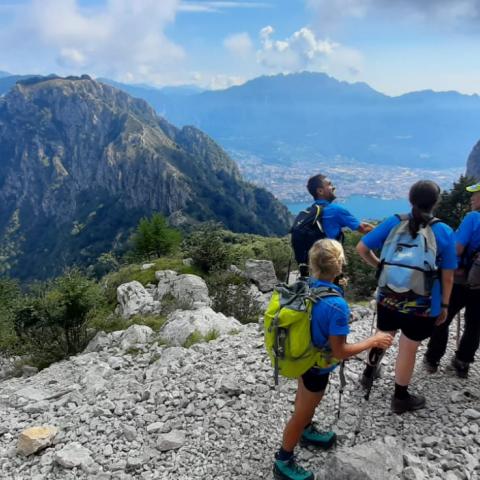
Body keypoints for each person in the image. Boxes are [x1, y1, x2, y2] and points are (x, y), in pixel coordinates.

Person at [273, 239, 393, 480]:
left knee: (304, 401)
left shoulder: (306, 285)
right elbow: (340, 351)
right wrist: (373, 340)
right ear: (339, 265)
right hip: (318, 366)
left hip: (302, 357)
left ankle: (306, 430)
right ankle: (283, 460)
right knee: (302, 411)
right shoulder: (336, 305)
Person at [356, 180, 456, 414]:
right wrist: (444, 305)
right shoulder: (443, 231)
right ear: (436, 202)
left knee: (382, 337)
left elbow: (361, 248)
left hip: (388, 295)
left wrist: (380, 267)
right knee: (407, 349)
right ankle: (400, 397)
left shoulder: (394, 222)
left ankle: (368, 374)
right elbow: (449, 276)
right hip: (423, 303)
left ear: (411, 199)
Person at [424, 181, 480, 378]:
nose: (472, 198)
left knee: (443, 317)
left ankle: (432, 359)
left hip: (460, 278)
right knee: (474, 324)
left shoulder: (473, 218)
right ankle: (463, 362)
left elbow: (457, 248)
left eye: (476, 194)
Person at [292, 174, 373, 276]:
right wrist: (387, 232)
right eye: (329, 185)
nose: (333, 187)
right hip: (327, 269)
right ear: (320, 191)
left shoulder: (309, 213)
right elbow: (363, 228)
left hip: (310, 268)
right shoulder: (335, 210)